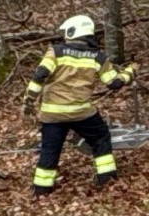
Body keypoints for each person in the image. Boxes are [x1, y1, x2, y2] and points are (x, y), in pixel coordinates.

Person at [24, 14, 136, 194]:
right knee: (100, 138)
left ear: (72, 32)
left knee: (50, 149)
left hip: (52, 115)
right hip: (81, 113)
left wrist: (29, 100)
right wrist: (130, 71)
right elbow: (114, 83)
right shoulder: (97, 57)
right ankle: (107, 178)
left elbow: (40, 75)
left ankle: (41, 189)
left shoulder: (56, 52)